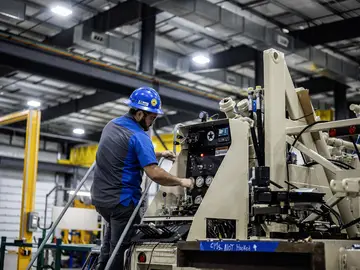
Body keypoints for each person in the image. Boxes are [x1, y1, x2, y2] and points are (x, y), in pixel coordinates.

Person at [90, 86, 194, 270]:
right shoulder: (139, 136)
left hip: (101, 200)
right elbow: (154, 174)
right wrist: (182, 182)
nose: (152, 122)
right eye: (151, 118)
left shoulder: (112, 125)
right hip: (122, 202)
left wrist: (158, 153)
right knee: (122, 249)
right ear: (139, 114)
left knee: (108, 245)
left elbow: (125, 153)